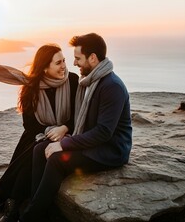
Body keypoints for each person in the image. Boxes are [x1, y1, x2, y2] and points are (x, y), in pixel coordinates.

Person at [0, 42, 79, 222]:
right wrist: (48, 130)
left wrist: (64, 128)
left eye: (64, 60)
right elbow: (30, 125)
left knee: (34, 149)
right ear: (45, 67)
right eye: (58, 62)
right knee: (32, 145)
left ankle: (4, 196)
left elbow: (80, 114)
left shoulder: (73, 81)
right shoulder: (31, 86)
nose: (64, 66)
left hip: (67, 134)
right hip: (41, 133)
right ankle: (10, 201)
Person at [19, 33, 132, 222]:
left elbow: (104, 132)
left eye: (78, 58)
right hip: (93, 142)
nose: (74, 63)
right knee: (40, 149)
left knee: (56, 159)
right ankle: (38, 206)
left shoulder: (111, 86)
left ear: (93, 58)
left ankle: (31, 217)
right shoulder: (94, 80)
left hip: (110, 151)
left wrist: (65, 144)